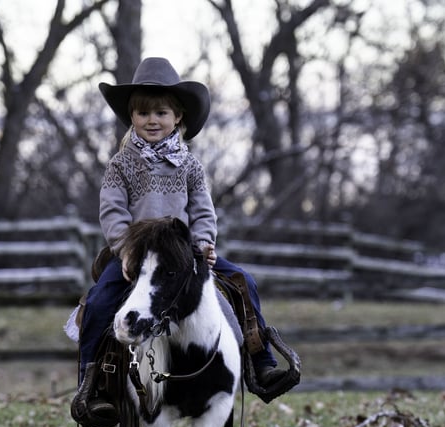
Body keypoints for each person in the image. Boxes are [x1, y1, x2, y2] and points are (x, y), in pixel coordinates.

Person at [74, 57, 296, 409]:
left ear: (177, 117)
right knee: (100, 301)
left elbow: (202, 209)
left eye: (161, 113)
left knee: (242, 282)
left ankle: (261, 362)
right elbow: (112, 212)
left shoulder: (189, 165)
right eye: (144, 114)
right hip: (137, 254)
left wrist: (204, 243)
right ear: (132, 117)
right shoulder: (121, 164)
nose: (152, 120)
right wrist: (125, 249)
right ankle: (93, 382)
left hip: (182, 253)